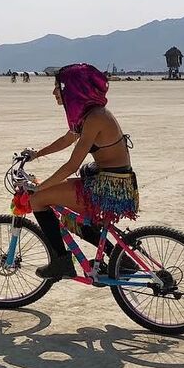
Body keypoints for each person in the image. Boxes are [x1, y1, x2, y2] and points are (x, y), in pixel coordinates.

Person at [23, 63, 138, 279]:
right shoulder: (90, 115)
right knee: (70, 216)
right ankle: (119, 259)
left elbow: (72, 165)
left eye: (59, 87)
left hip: (110, 186)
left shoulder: (95, 118)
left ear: (74, 89)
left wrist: (41, 186)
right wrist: (36, 154)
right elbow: (67, 139)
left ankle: (61, 262)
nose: (55, 92)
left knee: (38, 200)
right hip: (113, 180)